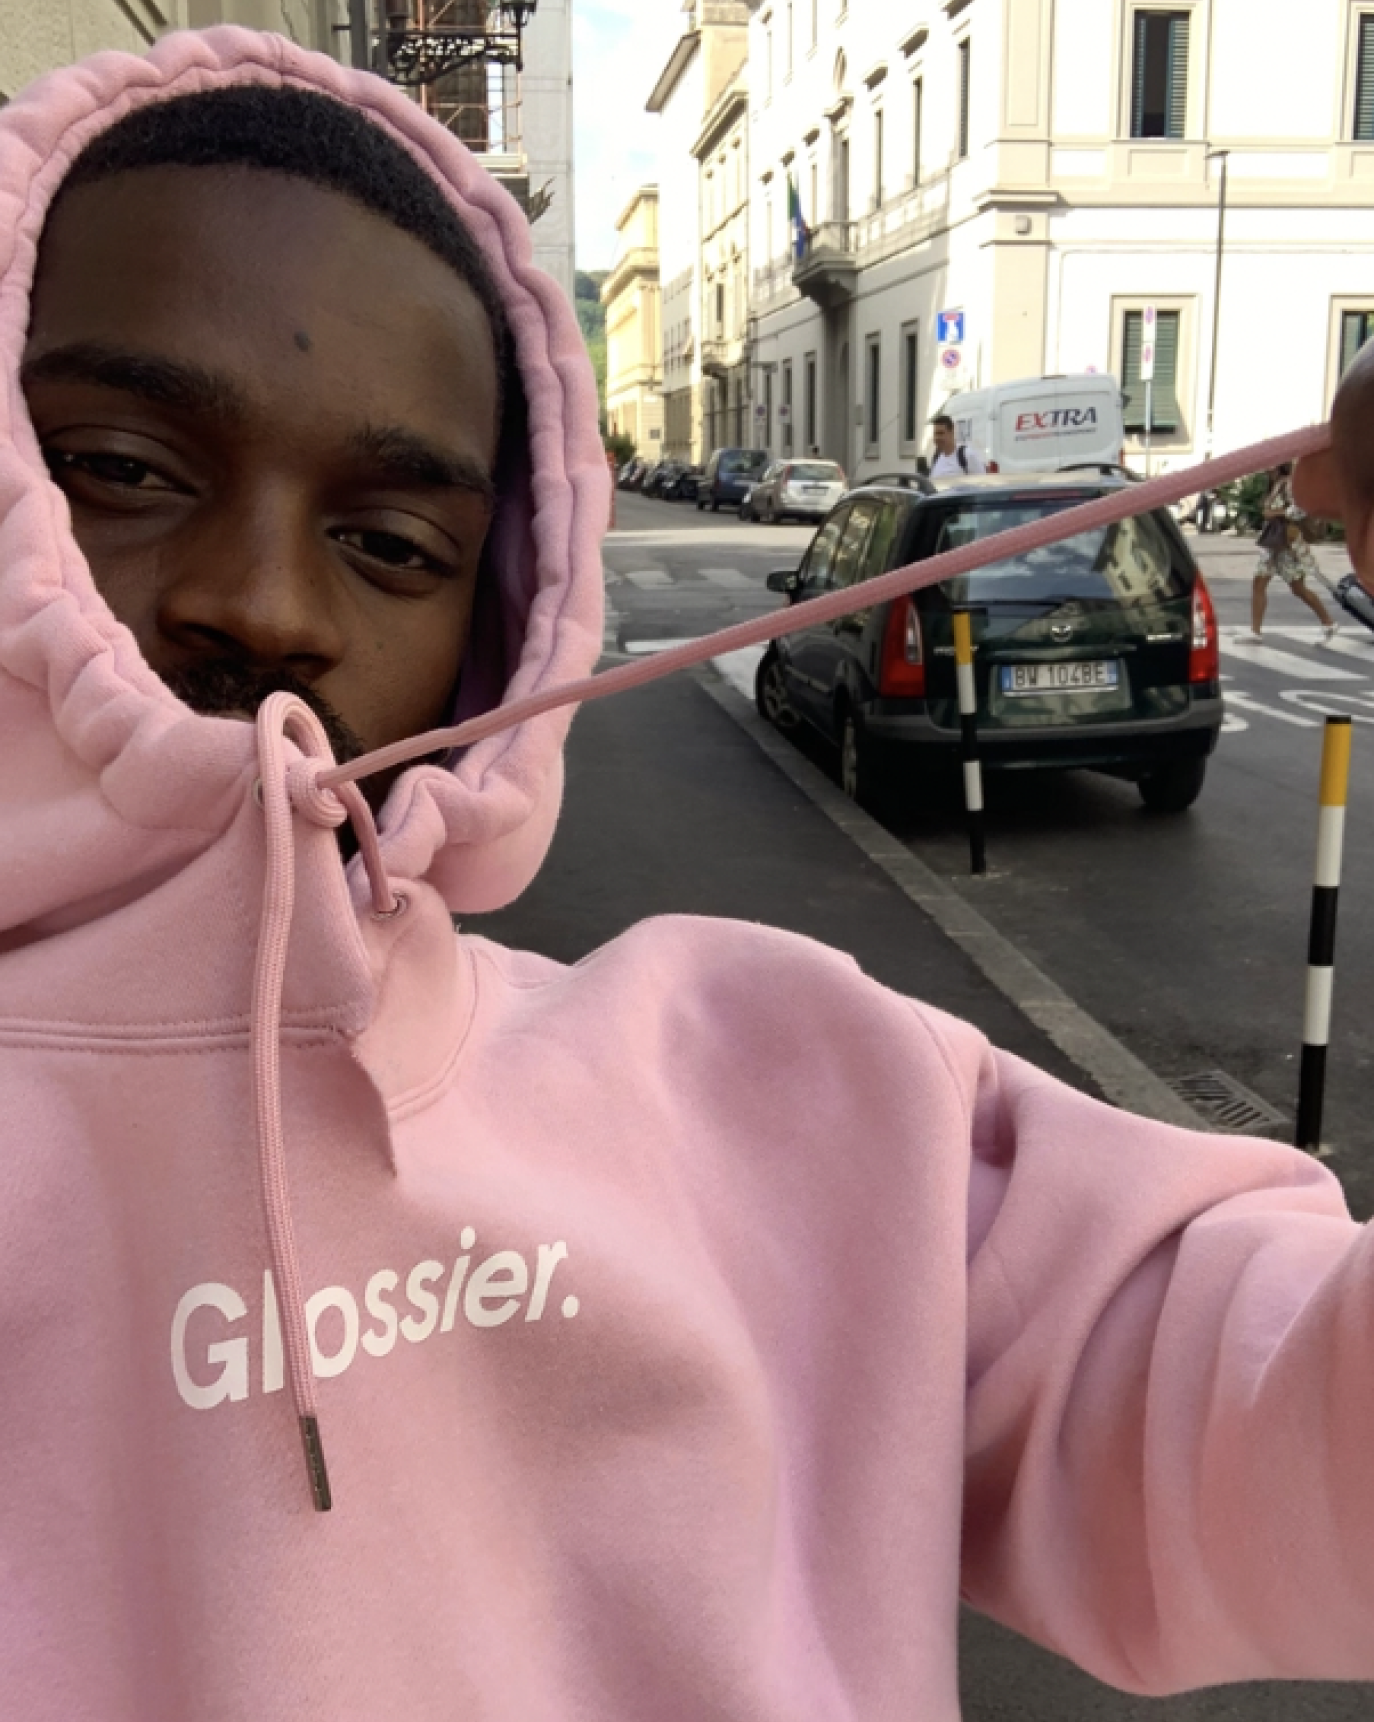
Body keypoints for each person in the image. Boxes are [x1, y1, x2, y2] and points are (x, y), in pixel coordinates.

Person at [3, 30, 1374, 1720]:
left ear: (496, 618)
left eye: (393, 542)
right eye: (121, 469)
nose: (266, 602)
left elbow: (1290, 1423)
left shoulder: (790, 1092)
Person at [1237, 462, 1339, 644]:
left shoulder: (1289, 484)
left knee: (1298, 589)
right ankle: (1255, 631)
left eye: (1270, 464)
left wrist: (1275, 513)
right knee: (1261, 583)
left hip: (1287, 545)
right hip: (1273, 544)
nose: (1266, 467)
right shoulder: (1275, 485)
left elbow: (1301, 510)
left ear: (1279, 465)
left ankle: (1328, 622)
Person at [928, 411, 988, 477]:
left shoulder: (967, 455)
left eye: (941, 433)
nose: (937, 438)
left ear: (952, 432)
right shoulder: (936, 457)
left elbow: (982, 481)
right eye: (935, 434)